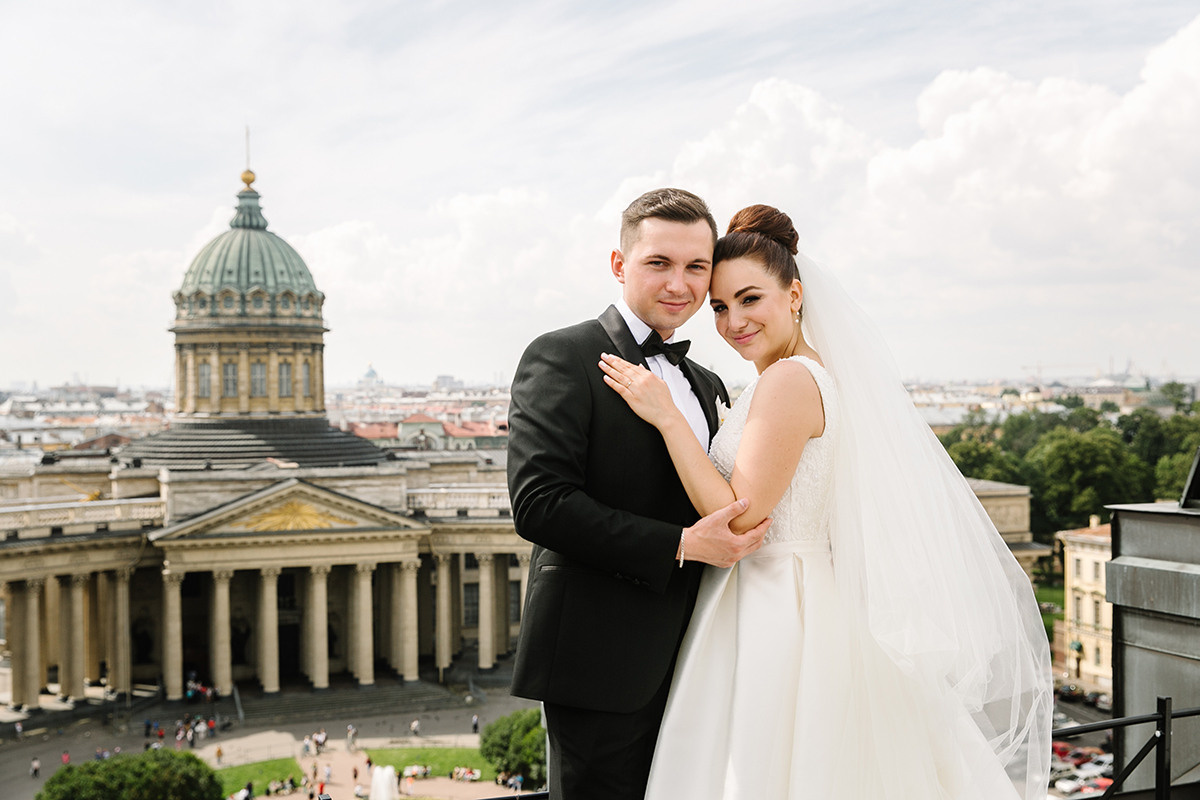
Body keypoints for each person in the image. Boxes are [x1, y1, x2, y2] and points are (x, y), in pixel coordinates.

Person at [598, 204, 1053, 799]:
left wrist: (667, 418)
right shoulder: (798, 374)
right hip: (790, 589)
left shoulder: (789, 380)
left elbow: (742, 515)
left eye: (750, 299)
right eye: (721, 306)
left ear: (794, 295)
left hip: (777, 598)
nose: (734, 321)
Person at [508, 187, 770, 800]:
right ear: (619, 265)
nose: (680, 283)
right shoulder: (562, 355)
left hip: (700, 657)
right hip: (601, 662)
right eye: (659, 263)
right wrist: (681, 544)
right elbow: (540, 504)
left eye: (696, 266)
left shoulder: (707, 382)